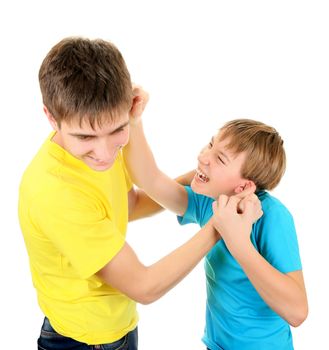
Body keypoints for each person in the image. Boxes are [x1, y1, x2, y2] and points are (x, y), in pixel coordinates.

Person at [18, 37, 261, 350]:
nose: (105, 154)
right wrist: (220, 227)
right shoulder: (54, 192)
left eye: (117, 130)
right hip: (85, 341)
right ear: (51, 118)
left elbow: (129, 204)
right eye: (85, 137)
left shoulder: (100, 140)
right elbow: (144, 287)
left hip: (118, 327)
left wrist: (204, 179)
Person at [124, 99, 308, 349]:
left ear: (243, 187)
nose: (203, 156)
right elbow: (151, 180)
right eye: (210, 144)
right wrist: (134, 121)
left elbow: (297, 311)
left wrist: (239, 242)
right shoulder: (207, 200)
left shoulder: (273, 217)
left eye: (220, 159)